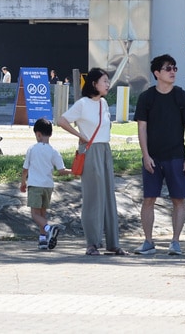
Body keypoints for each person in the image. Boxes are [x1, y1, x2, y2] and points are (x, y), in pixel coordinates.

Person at [57, 67, 124, 256]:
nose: (107, 84)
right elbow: (62, 120)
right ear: (94, 83)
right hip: (90, 150)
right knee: (93, 197)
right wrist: (80, 136)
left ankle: (113, 243)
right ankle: (92, 243)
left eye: (107, 81)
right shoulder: (82, 104)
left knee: (108, 197)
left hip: (105, 150)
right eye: (104, 81)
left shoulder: (103, 103)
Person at [134, 53, 185, 256]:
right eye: (168, 68)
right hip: (153, 157)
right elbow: (142, 128)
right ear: (157, 73)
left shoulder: (182, 96)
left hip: (177, 156)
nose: (172, 72)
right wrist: (145, 155)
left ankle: (175, 242)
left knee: (178, 199)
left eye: (175, 68)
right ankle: (148, 242)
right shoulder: (146, 97)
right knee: (149, 199)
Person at [20, 118, 70, 250]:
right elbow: (61, 170)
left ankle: (49, 228)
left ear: (38, 134)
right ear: (51, 134)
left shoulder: (32, 149)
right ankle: (42, 240)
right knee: (42, 213)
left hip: (35, 185)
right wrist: (76, 171)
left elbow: (25, 169)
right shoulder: (54, 151)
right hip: (48, 186)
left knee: (35, 215)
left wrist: (23, 182)